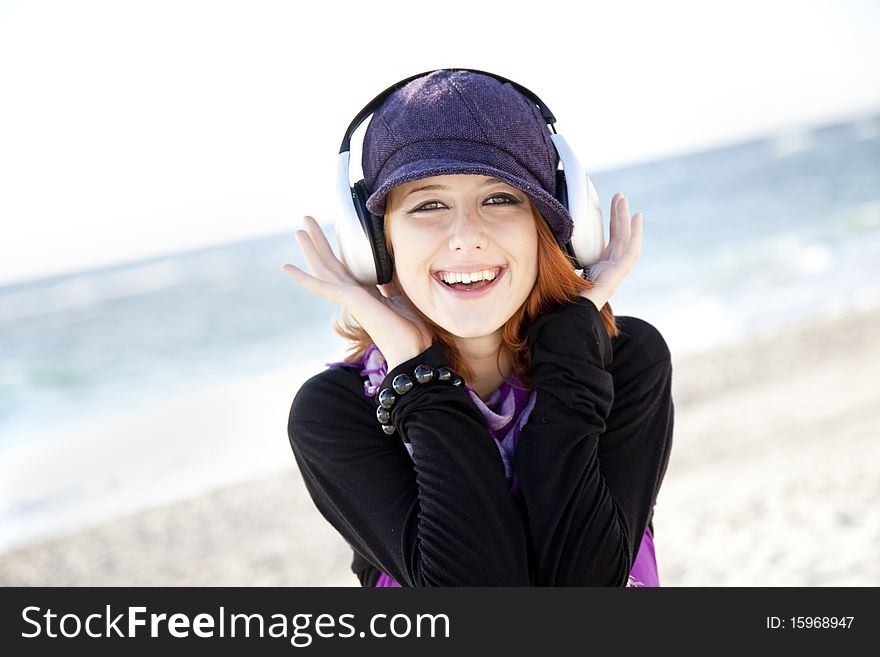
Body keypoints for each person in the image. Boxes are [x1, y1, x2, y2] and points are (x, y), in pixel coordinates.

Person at [283, 69, 674, 587]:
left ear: (554, 222)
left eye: (500, 198)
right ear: (375, 245)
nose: (466, 237)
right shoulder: (334, 413)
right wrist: (416, 376)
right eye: (427, 205)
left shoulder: (623, 360)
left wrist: (569, 343)